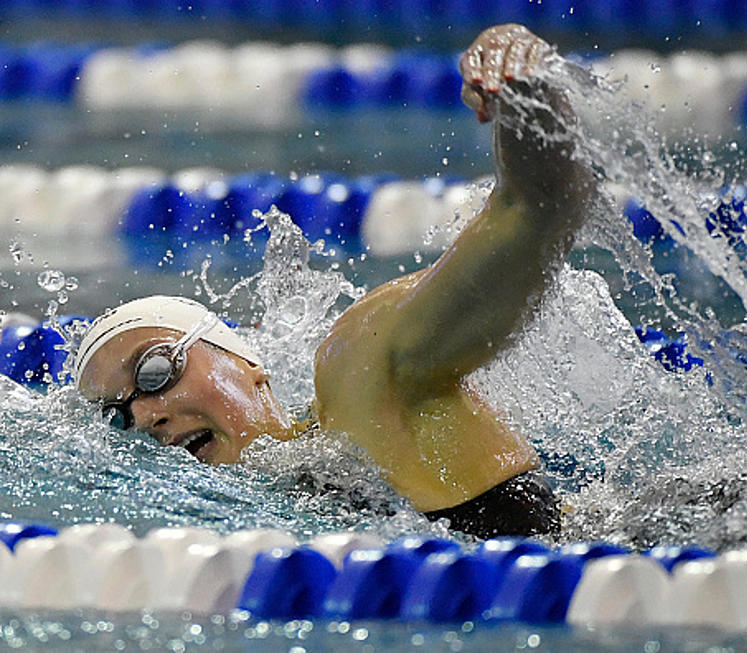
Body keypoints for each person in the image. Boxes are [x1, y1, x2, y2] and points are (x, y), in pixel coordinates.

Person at [74, 24, 596, 539]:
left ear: (245, 363)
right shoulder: (249, 526)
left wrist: (527, 95)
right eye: (119, 417)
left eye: (155, 370)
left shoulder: (361, 375)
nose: (144, 414)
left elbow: (536, 212)